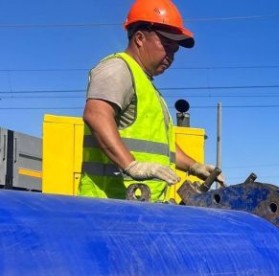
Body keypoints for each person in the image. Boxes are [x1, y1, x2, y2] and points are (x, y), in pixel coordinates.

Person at [79, 0, 223, 201]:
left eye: (175, 51)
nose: (171, 57)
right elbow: (96, 114)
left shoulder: (148, 87)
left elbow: (165, 150)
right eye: (166, 46)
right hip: (110, 205)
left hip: (138, 206)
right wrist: (131, 165)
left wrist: (194, 166)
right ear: (139, 38)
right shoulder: (118, 69)